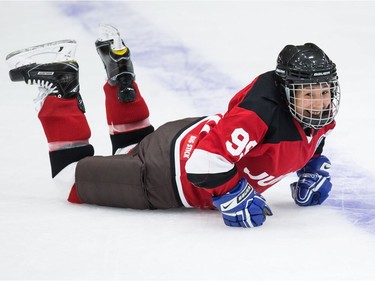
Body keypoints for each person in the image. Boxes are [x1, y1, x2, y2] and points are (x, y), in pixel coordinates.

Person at [6, 24, 341, 228]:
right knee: (68, 181)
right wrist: (233, 195)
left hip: (183, 138)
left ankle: (120, 71)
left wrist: (312, 166)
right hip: (166, 176)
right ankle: (60, 88)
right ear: (286, 90)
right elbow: (204, 164)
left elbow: (313, 137)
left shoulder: (311, 113)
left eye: (324, 91)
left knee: (127, 149)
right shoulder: (261, 114)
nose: (319, 102)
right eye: (308, 93)